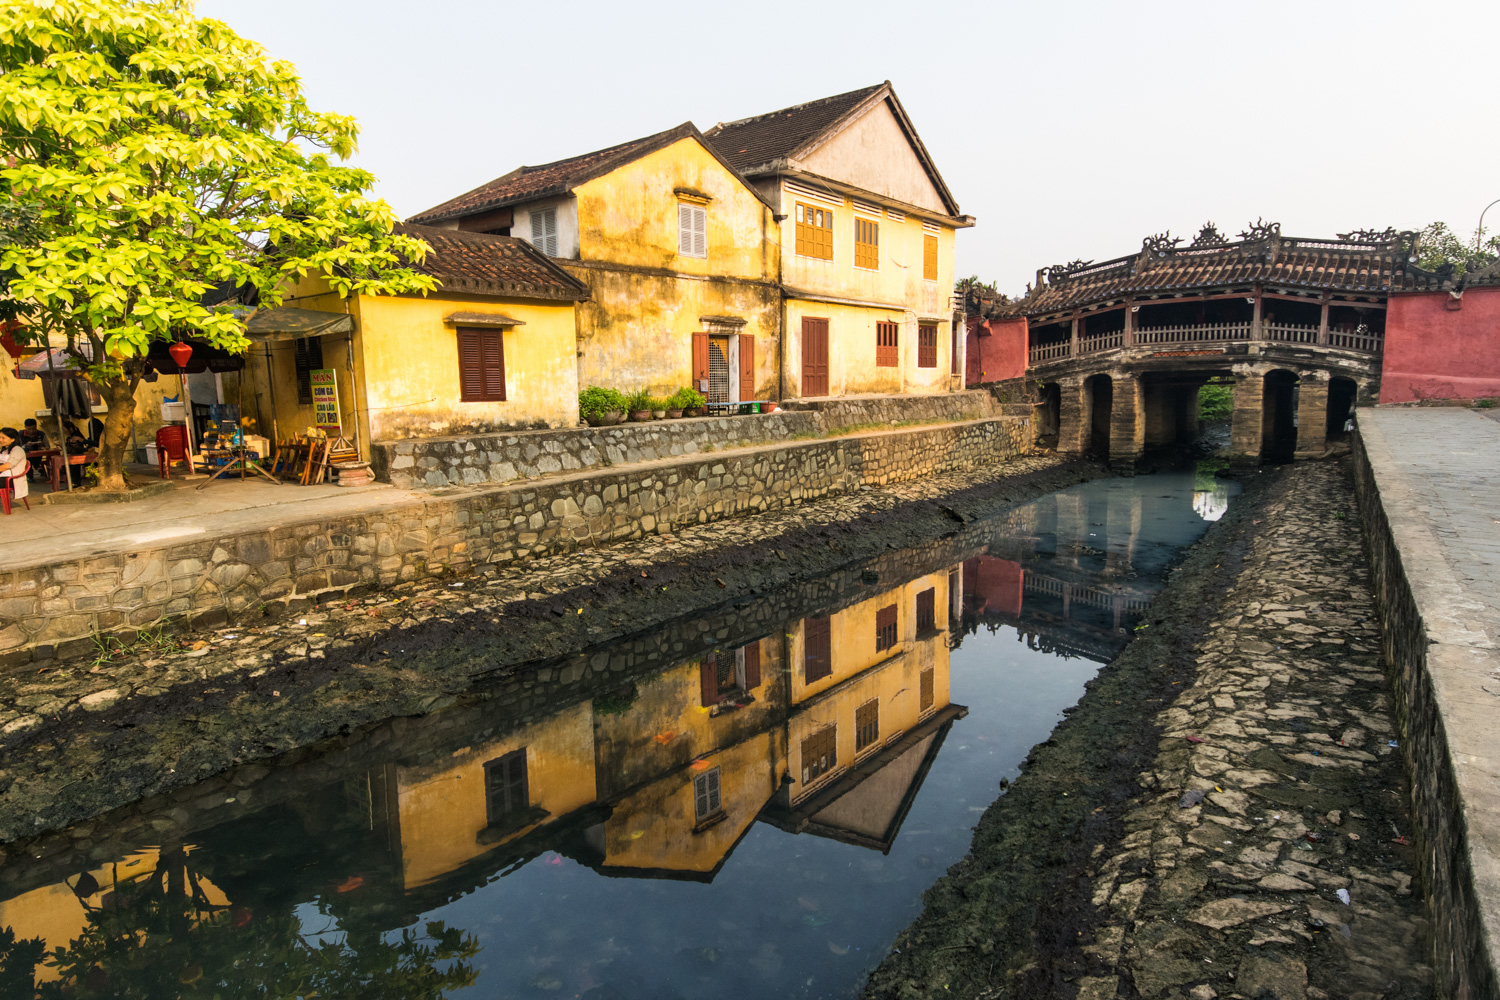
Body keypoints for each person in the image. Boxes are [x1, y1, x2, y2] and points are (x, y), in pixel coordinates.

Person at [0, 428, 29, 504]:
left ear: (12, 439)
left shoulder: (17, 450)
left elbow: (7, 466)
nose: (0, 440)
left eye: (3, 438)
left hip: (11, 479)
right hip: (3, 476)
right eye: (0, 438)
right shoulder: (5, 450)